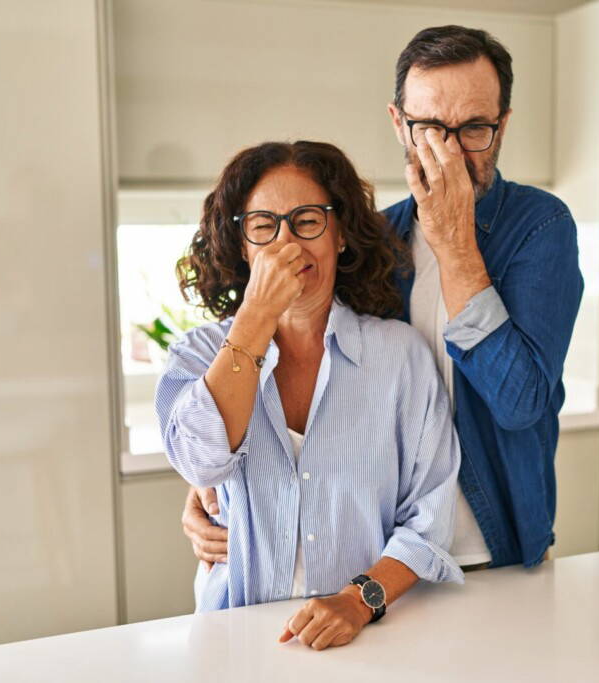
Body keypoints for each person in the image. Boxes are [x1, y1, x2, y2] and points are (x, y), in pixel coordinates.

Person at [183, 25, 583, 574]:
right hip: (384, 559)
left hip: (498, 552)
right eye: (427, 128)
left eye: (473, 129)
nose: (449, 151)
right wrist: (210, 484)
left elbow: (520, 404)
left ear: (503, 124)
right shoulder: (375, 238)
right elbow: (305, 371)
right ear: (399, 122)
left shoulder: (541, 226)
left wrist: (456, 244)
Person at [158, 141, 463, 651]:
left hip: (369, 640)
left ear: (340, 234)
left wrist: (357, 600)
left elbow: (430, 520)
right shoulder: (196, 355)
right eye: (264, 226)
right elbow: (201, 461)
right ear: (242, 244)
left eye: (307, 221)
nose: (288, 245)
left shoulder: (400, 357)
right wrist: (256, 317)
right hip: (236, 639)